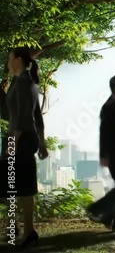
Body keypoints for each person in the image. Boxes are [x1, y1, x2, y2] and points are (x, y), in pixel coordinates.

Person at [0, 47, 48, 249]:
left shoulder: (22, 82)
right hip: (25, 138)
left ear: (18, 60)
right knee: (21, 187)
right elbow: (36, 116)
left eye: (10, 59)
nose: (8, 63)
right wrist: (42, 142)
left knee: (11, 186)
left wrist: (13, 142)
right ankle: (22, 229)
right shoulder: (29, 81)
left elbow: (22, 117)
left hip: (18, 138)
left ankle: (21, 229)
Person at [87, 75, 115, 231]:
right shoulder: (109, 106)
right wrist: (104, 155)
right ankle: (100, 211)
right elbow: (104, 132)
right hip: (113, 153)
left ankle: (114, 220)